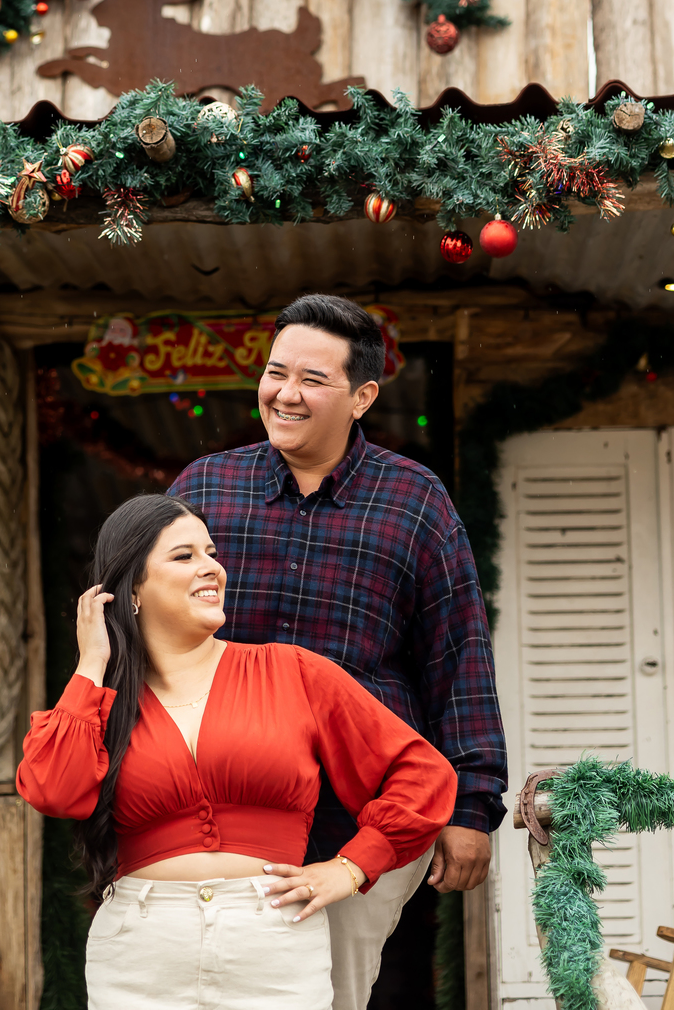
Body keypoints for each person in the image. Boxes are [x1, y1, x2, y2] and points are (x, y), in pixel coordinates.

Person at [170, 293, 507, 1010]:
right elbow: (145, 636)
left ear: (362, 397)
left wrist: (471, 808)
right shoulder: (204, 490)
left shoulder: (415, 500)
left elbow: (458, 658)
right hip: (220, 807)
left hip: (361, 816)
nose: (285, 394)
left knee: (328, 995)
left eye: (313, 380)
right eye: (275, 372)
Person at [18, 494, 456, 1010]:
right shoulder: (101, 702)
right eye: (184, 557)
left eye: (211, 552)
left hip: (273, 941)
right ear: (131, 586)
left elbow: (422, 773)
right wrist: (92, 663)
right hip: (141, 950)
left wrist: (351, 867)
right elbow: (52, 790)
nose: (212, 568)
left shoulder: (291, 672)